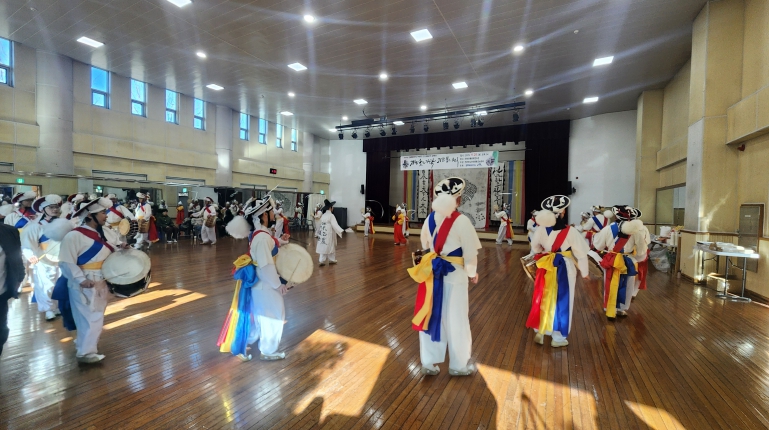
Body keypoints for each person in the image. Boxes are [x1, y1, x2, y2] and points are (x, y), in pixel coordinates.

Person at [409, 177, 481, 376]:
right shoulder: (462, 221)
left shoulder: (429, 219)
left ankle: (429, 362)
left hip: (433, 274)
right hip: (455, 275)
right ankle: (458, 365)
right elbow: (470, 253)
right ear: (457, 199)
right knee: (457, 318)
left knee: (432, 315)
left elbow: (425, 245)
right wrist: (472, 273)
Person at [220, 195, 292, 361]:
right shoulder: (262, 238)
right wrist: (278, 285)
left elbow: (269, 245)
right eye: (271, 211)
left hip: (261, 283)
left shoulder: (260, 234)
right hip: (265, 283)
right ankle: (268, 350)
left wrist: (281, 241)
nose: (274, 214)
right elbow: (266, 266)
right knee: (273, 315)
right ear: (264, 215)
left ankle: (246, 341)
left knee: (260, 315)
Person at [58, 197, 119, 363]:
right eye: (102, 213)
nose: (106, 215)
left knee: (95, 315)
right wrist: (80, 279)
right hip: (85, 282)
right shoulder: (74, 236)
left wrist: (121, 248)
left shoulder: (106, 232)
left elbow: (113, 248)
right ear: (90, 216)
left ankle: (85, 345)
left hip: (101, 280)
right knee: (89, 317)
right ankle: (86, 353)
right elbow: (66, 262)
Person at [525, 195, 590, 348]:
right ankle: (558, 338)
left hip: (546, 265)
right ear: (562, 213)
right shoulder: (570, 231)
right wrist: (585, 272)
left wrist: (546, 251)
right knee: (563, 300)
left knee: (544, 295)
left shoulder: (540, 229)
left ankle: (541, 330)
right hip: (564, 266)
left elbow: (535, 248)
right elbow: (581, 254)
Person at [592, 205, 644, 319]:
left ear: (616, 216)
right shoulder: (636, 231)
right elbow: (641, 250)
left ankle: (609, 308)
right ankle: (622, 309)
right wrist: (637, 258)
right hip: (629, 260)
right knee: (628, 285)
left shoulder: (607, 229)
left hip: (611, 259)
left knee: (609, 282)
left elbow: (599, 246)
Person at [21, 195, 64, 321]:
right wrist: (30, 255)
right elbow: (27, 243)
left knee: (59, 283)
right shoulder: (35, 226)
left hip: (61, 257)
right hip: (43, 258)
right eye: (51, 207)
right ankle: (48, 309)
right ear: (43, 209)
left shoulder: (62, 223)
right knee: (45, 284)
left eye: (56, 207)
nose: (55, 209)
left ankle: (56, 306)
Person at [0, 222, 25, 356]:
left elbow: (16, 257)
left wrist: (20, 276)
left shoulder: (9, 232)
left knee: (1, 332)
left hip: (1, 293)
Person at [316, 199, 344, 266]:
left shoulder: (323, 215)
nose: (333, 208)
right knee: (330, 245)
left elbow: (320, 224)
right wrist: (340, 230)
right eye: (332, 207)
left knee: (323, 245)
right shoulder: (331, 215)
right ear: (330, 208)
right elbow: (334, 224)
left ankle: (321, 260)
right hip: (329, 232)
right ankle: (331, 259)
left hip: (323, 232)